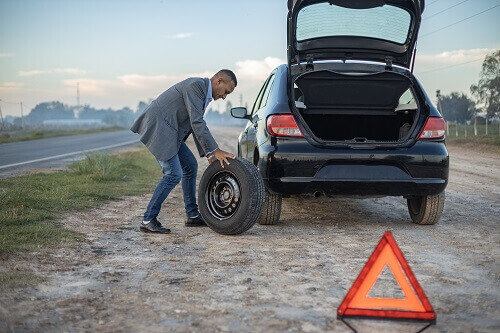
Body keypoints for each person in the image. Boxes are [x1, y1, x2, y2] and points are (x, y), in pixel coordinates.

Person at [131, 69, 237, 234]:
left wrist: (209, 153)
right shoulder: (196, 86)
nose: (224, 97)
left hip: (172, 132)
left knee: (190, 166)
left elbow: (194, 124)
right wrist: (215, 150)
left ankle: (192, 215)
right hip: (160, 127)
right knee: (173, 174)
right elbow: (197, 122)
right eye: (226, 92)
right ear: (219, 81)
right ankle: (148, 219)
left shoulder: (203, 92)